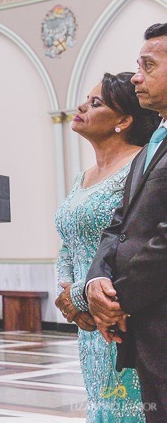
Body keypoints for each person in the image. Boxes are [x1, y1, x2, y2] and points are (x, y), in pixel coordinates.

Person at [55, 72, 158, 422]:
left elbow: (132, 241)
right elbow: (67, 242)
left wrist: (85, 299)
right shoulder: (81, 177)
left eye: (96, 103)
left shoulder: (140, 166)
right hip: (87, 324)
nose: (82, 106)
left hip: (119, 314)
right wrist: (68, 296)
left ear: (123, 120)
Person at [87, 23, 167, 423]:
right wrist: (94, 281)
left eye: (148, 65)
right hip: (145, 324)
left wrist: (116, 300)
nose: (137, 75)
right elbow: (117, 224)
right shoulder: (152, 146)